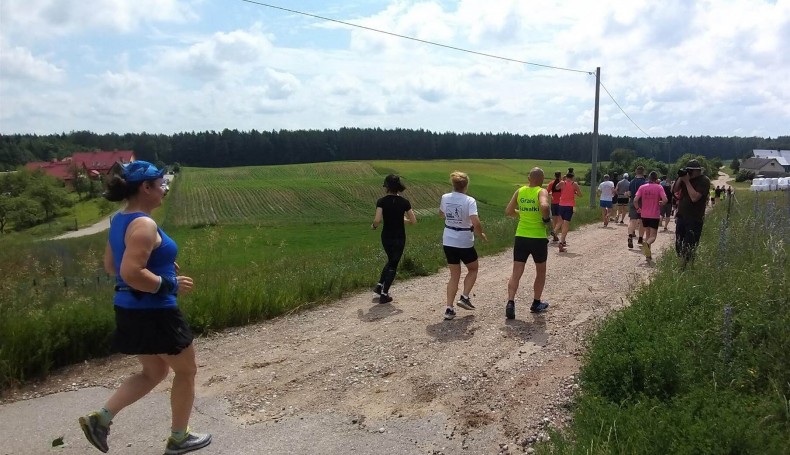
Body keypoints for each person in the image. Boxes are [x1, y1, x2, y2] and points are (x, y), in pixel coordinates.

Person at [79, 161, 211, 455]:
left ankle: (100, 419)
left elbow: (112, 265)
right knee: (187, 371)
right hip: (155, 310)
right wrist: (169, 283)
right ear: (145, 187)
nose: (165, 189)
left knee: (153, 371)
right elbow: (130, 272)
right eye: (161, 184)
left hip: (129, 308)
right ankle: (179, 438)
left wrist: (159, 264)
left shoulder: (120, 221)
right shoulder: (144, 223)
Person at [504, 167, 551, 319]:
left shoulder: (520, 191)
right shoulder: (541, 191)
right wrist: (545, 219)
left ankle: (510, 302)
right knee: (540, 271)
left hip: (521, 236)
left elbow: (509, 211)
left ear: (529, 178)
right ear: (542, 179)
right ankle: (536, 303)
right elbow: (544, 206)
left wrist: (521, 213)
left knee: (516, 271)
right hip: (537, 237)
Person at [440, 171, 487, 320]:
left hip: (448, 239)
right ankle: (465, 297)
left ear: (453, 184)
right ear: (466, 185)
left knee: (454, 275)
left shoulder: (445, 197)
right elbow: (475, 221)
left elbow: (441, 214)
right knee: (473, 268)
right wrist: (481, 234)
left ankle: (449, 308)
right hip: (464, 240)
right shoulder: (469, 200)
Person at [371, 174, 417, 304]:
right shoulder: (404, 202)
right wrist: (402, 220)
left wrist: (374, 226)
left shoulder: (381, 201)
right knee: (393, 264)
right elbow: (413, 221)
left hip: (386, 236)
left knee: (391, 260)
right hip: (399, 237)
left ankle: (379, 286)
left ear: (386, 187)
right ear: (399, 187)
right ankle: (384, 294)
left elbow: (377, 220)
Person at [672, 159, 711, 267]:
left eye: (691, 171)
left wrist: (687, 182)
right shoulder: (685, 179)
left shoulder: (703, 180)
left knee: (690, 244)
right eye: (687, 170)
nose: (689, 173)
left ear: (698, 171)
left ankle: (686, 267)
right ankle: (681, 264)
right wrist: (681, 178)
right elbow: (674, 190)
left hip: (694, 218)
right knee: (679, 243)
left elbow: (695, 198)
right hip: (682, 216)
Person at [634, 171, 668, 263]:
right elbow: (665, 200)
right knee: (653, 236)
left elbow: (635, 200)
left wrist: (638, 209)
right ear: (656, 179)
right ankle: (647, 244)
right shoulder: (659, 187)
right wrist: (661, 203)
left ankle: (648, 256)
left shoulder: (642, 187)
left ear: (648, 178)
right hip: (654, 214)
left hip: (644, 214)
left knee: (648, 234)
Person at [555, 168, 582, 253]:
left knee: (561, 222)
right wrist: (575, 193)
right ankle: (562, 241)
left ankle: (555, 231)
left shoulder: (563, 183)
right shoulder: (575, 184)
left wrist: (562, 182)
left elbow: (556, 187)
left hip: (561, 205)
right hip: (569, 206)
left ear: (566, 176)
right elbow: (580, 195)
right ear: (573, 177)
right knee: (566, 224)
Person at [626, 166, 647, 249]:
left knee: (632, 220)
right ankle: (640, 238)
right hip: (642, 203)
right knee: (642, 221)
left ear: (636, 172)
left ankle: (630, 236)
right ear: (643, 172)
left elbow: (630, 193)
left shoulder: (632, 182)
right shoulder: (645, 182)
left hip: (632, 201)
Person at [546, 171, 563, 242]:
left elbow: (546, 192)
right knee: (561, 220)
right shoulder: (562, 183)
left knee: (554, 219)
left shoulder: (551, 183)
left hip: (553, 203)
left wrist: (551, 194)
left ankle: (555, 236)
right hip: (561, 203)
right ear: (560, 176)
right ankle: (555, 232)